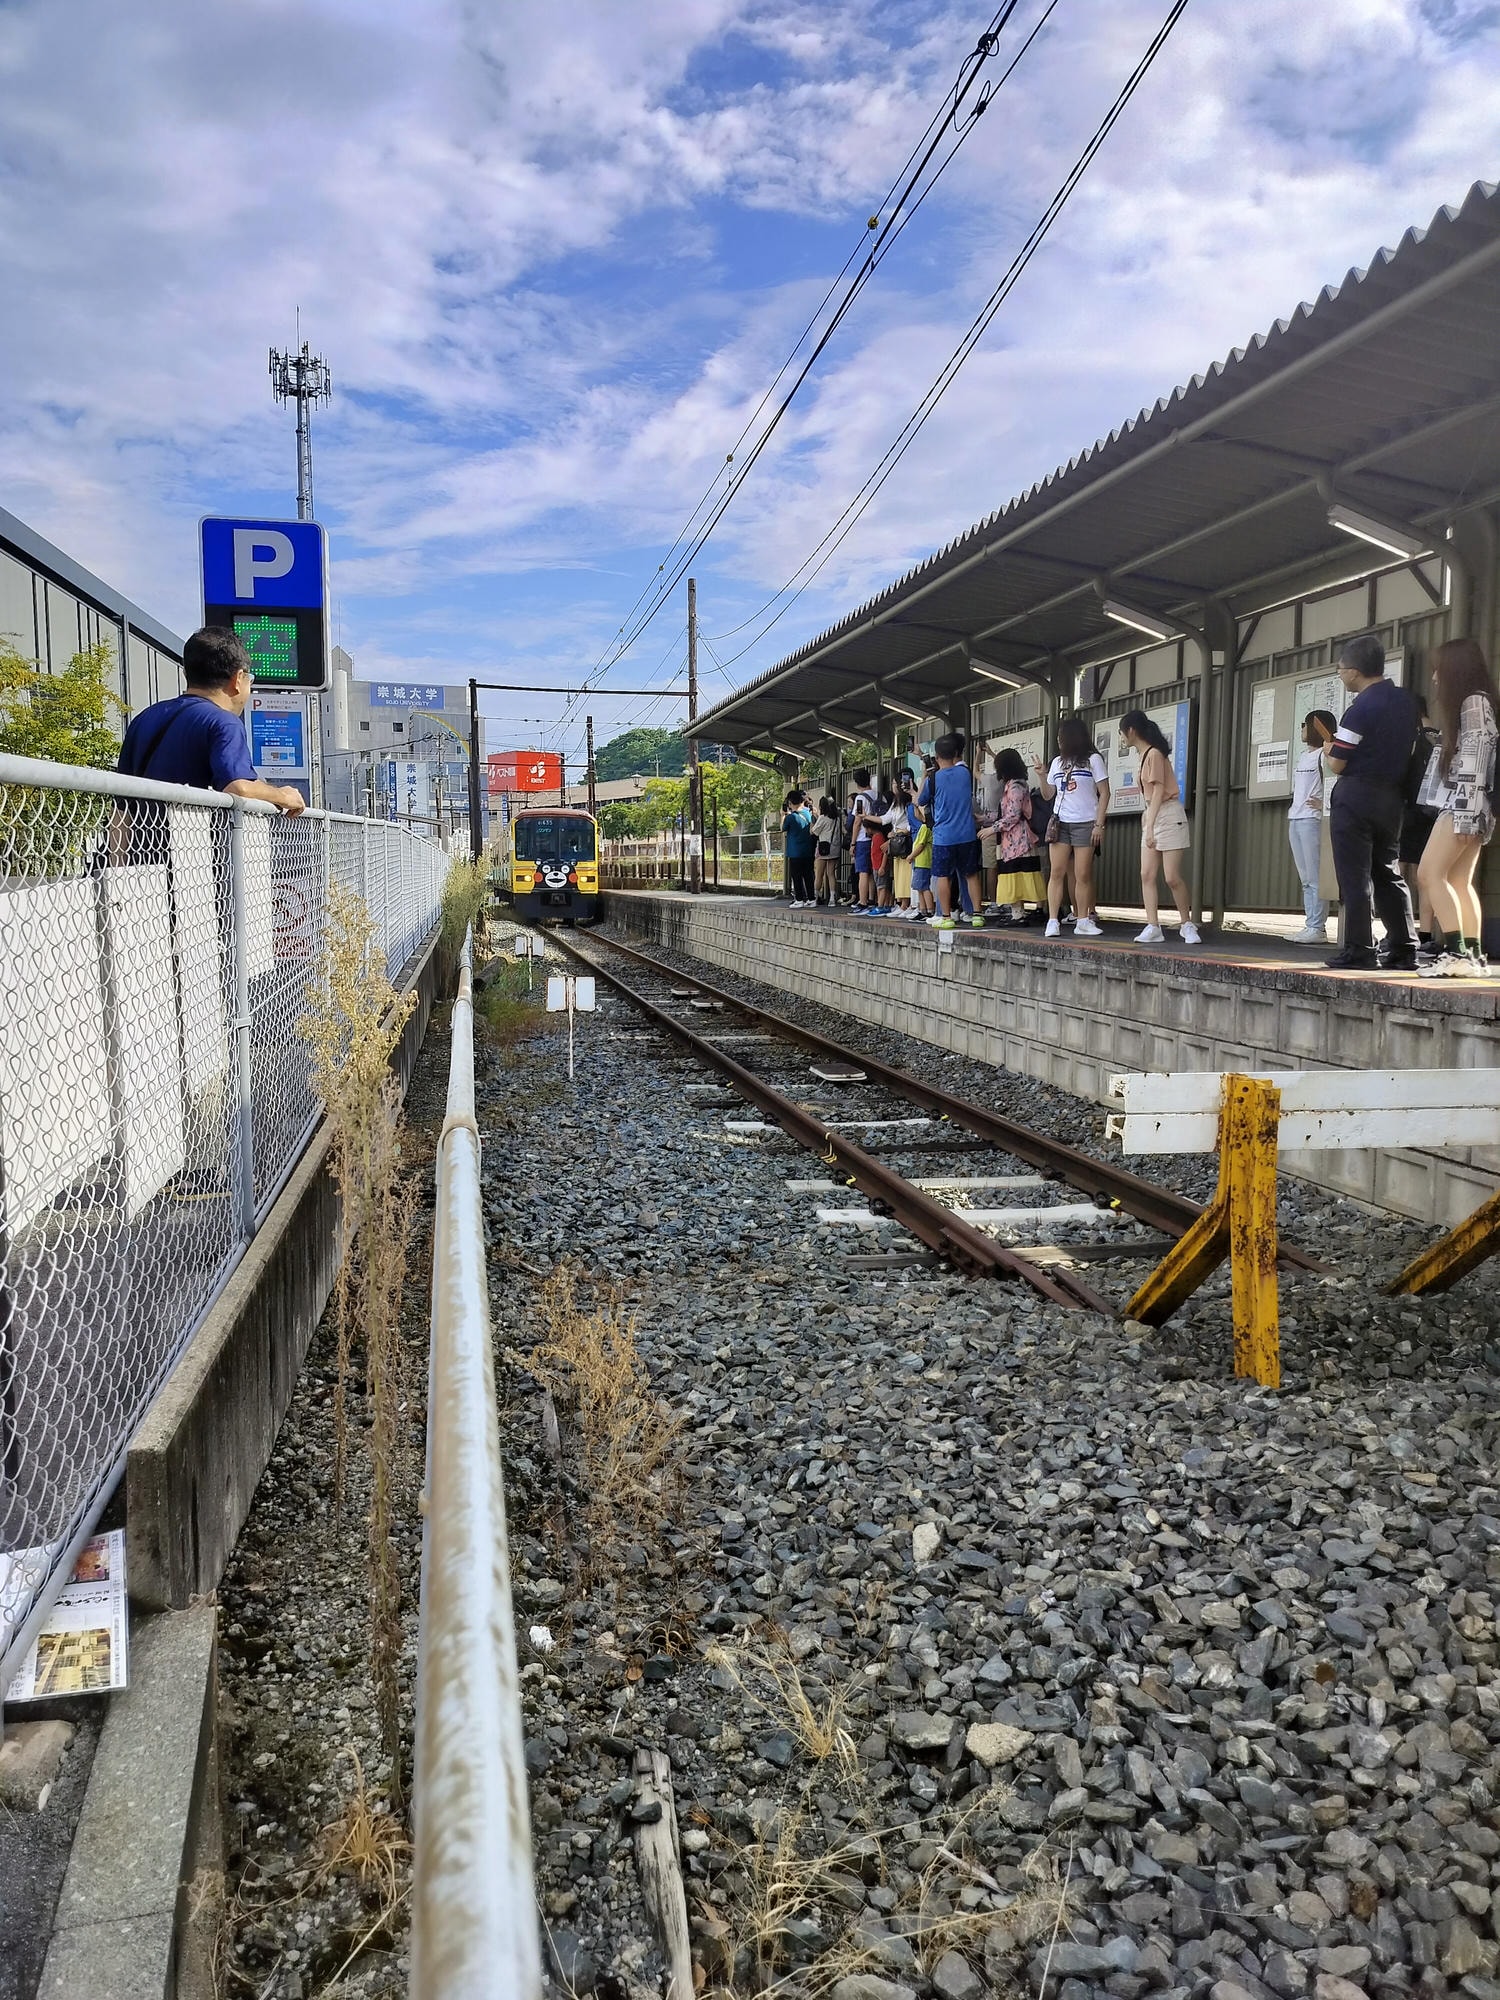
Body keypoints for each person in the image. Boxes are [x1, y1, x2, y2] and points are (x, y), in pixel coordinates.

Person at [117, 626, 306, 810]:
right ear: (238, 679)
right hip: (193, 839)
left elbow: (121, 805)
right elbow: (238, 786)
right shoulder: (224, 722)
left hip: (141, 838)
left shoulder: (145, 718)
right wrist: (284, 796)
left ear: (186, 673)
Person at [1323, 632, 1419, 970]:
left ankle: (1359, 949)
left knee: (1355, 875)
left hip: (1356, 795)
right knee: (1388, 871)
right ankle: (1404, 947)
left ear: (1354, 671)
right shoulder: (1406, 702)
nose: (1340, 674)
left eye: (1340, 669)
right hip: (1392, 798)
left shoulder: (1360, 707)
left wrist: (1328, 750)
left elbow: (1337, 762)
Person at [1415, 637, 1500, 978]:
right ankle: (1472, 956)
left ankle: (1456, 953)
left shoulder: (1472, 704)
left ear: (1454, 670)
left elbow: (1476, 760)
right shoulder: (1482, 701)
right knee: (1459, 880)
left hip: (1464, 804)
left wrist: (1463, 811)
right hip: (1475, 805)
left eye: (1438, 670)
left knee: (1428, 873)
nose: (1435, 678)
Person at [1121, 711, 1200, 946]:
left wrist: (1151, 823)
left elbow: (1158, 791)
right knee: (1147, 874)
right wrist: (1148, 819)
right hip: (1153, 814)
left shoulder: (1154, 754)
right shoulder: (1145, 755)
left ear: (1131, 731)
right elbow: (1150, 795)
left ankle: (1187, 924)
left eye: (1123, 732)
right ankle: (1152, 925)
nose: (1123, 738)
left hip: (1167, 813)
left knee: (1172, 877)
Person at [1035, 719, 1108, 939]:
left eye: (1060, 736)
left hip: (1086, 823)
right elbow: (1048, 794)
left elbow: (1104, 792)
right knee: (1056, 872)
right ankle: (1053, 921)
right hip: (1061, 823)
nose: (1058, 740)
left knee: (1082, 874)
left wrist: (1099, 824)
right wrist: (1041, 775)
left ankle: (1083, 920)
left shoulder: (1093, 760)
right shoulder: (1057, 762)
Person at [918, 733, 985, 930]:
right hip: (967, 834)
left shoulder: (934, 779)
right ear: (956, 753)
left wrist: (927, 772)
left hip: (943, 837)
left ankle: (946, 916)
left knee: (943, 876)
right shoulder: (964, 773)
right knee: (971, 874)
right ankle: (977, 915)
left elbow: (920, 801)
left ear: (937, 757)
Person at [1287, 709, 1337, 944]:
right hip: (1295, 819)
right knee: (1305, 877)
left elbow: (1336, 780)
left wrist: (1323, 803)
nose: (1302, 730)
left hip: (1311, 820)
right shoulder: (1303, 756)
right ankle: (1311, 924)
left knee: (1315, 876)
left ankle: (1317, 927)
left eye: (1304, 725)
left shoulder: (1323, 755)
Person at [1400, 704, 1442, 954]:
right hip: (1436, 812)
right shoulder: (1439, 737)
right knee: (1426, 875)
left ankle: (1400, 933)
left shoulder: (1413, 741)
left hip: (1412, 812)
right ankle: (1425, 935)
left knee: (1403, 871)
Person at [991, 748, 1046, 923]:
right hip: (1019, 839)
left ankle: (1018, 913)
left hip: (1016, 840)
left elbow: (1013, 815)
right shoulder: (1018, 785)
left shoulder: (1014, 788)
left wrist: (992, 828)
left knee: (1014, 874)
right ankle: (1024, 911)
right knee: (1022, 875)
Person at [889, 770, 919, 916]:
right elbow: (886, 819)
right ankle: (901, 902)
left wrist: (902, 830)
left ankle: (909, 904)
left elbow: (913, 822)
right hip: (898, 841)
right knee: (899, 874)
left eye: (896, 783)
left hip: (907, 841)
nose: (895, 786)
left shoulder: (909, 800)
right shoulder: (896, 802)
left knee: (909, 874)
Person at [781, 789, 816, 907]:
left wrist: (783, 815)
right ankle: (811, 898)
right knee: (808, 875)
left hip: (795, 851)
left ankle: (799, 899)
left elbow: (783, 828)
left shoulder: (790, 817)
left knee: (796, 876)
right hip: (808, 850)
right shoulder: (808, 814)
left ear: (790, 802)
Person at [849, 767, 877, 910]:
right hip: (876, 837)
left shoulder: (860, 798)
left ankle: (863, 902)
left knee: (863, 871)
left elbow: (857, 821)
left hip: (863, 838)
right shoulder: (877, 795)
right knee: (871, 870)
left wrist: (853, 843)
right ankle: (872, 899)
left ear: (857, 783)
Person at [979, 750, 1004, 910]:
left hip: (989, 829)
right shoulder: (1009, 781)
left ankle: (994, 901)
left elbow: (975, 771)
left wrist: (978, 754)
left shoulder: (991, 780)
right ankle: (1006, 900)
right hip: (1006, 831)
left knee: (991, 867)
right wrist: (991, 752)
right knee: (1004, 867)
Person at [811, 796, 839, 907]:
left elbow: (814, 832)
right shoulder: (837, 818)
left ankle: (815, 897)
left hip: (823, 848)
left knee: (819, 874)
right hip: (834, 848)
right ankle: (832, 898)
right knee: (831, 874)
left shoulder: (822, 818)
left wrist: (813, 821)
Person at [909, 803, 935, 920]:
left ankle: (929, 910)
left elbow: (920, 845)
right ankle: (922, 910)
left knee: (924, 887)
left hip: (923, 861)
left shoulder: (925, 828)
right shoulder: (925, 827)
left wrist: (911, 856)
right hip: (921, 862)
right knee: (919, 887)